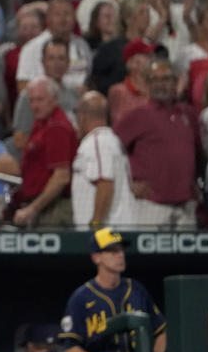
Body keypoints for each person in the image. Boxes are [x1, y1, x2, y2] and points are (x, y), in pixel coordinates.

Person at [59, 228, 167, 352]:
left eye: (121, 249)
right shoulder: (81, 298)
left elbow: (161, 330)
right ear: (96, 257)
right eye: (112, 250)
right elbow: (70, 347)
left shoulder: (136, 289)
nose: (120, 254)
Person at [114, 60, 200, 229]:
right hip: (151, 207)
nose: (161, 85)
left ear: (175, 82)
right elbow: (110, 151)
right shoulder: (138, 115)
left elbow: (198, 153)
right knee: (149, 256)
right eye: (155, 80)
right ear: (147, 84)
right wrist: (127, 183)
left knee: (188, 256)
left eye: (166, 79)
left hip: (186, 206)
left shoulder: (188, 114)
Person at [12, 77, 79, 228]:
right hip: (44, 206)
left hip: (54, 208)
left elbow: (61, 177)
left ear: (55, 99)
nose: (34, 106)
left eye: (40, 100)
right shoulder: (41, 123)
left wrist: (33, 208)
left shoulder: (57, 127)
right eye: (32, 100)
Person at [71, 91, 136, 230]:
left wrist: (95, 225)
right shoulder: (110, 139)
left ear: (82, 116)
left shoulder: (97, 141)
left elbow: (105, 183)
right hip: (116, 229)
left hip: (106, 232)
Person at [12, 39, 79, 153]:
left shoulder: (74, 95)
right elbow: (19, 139)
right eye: (51, 58)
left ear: (68, 62)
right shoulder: (30, 94)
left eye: (61, 58)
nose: (56, 63)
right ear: (43, 62)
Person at [17, 0, 91, 95]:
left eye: (67, 14)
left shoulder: (83, 46)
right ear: (48, 19)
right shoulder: (31, 48)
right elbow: (23, 88)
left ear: (74, 18)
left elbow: (88, 80)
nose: (63, 19)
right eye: (57, 14)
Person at [108, 39, 154, 124]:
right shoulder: (119, 92)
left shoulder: (155, 89)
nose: (152, 59)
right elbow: (121, 126)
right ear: (132, 63)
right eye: (147, 55)